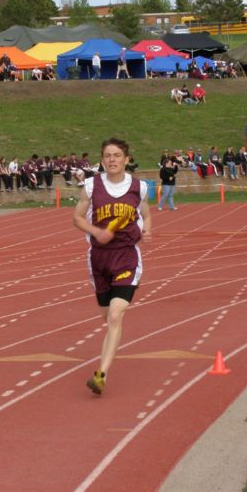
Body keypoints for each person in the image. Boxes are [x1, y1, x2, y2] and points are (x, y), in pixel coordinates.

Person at [73, 138, 151, 395]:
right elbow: (76, 217)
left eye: (117, 155)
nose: (112, 160)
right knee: (108, 318)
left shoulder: (138, 187)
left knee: (116, 315)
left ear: (127, 159)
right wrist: (97, 231)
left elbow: (146, 213)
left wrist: (147, 229)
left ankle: (101, 374)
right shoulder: (92, 186)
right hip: (99, 258)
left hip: (127, 256)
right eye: (107, 155)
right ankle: (103, 368)